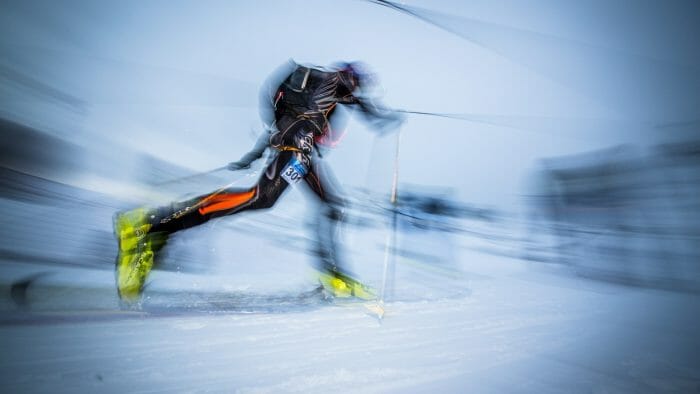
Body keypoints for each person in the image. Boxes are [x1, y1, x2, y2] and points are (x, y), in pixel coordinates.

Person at [113, 60, 403, 302]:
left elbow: (282, 125)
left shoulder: (317, 92)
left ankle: (332, 274)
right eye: (360, 83)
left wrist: (252, 155)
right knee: (261, 198)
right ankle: (150, 224)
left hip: (301, 151)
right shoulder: (337, 80)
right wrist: (383, 117)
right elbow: (352, 100)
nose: (357, 89)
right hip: (296, 147)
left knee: (332, 206)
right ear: (354, 78)